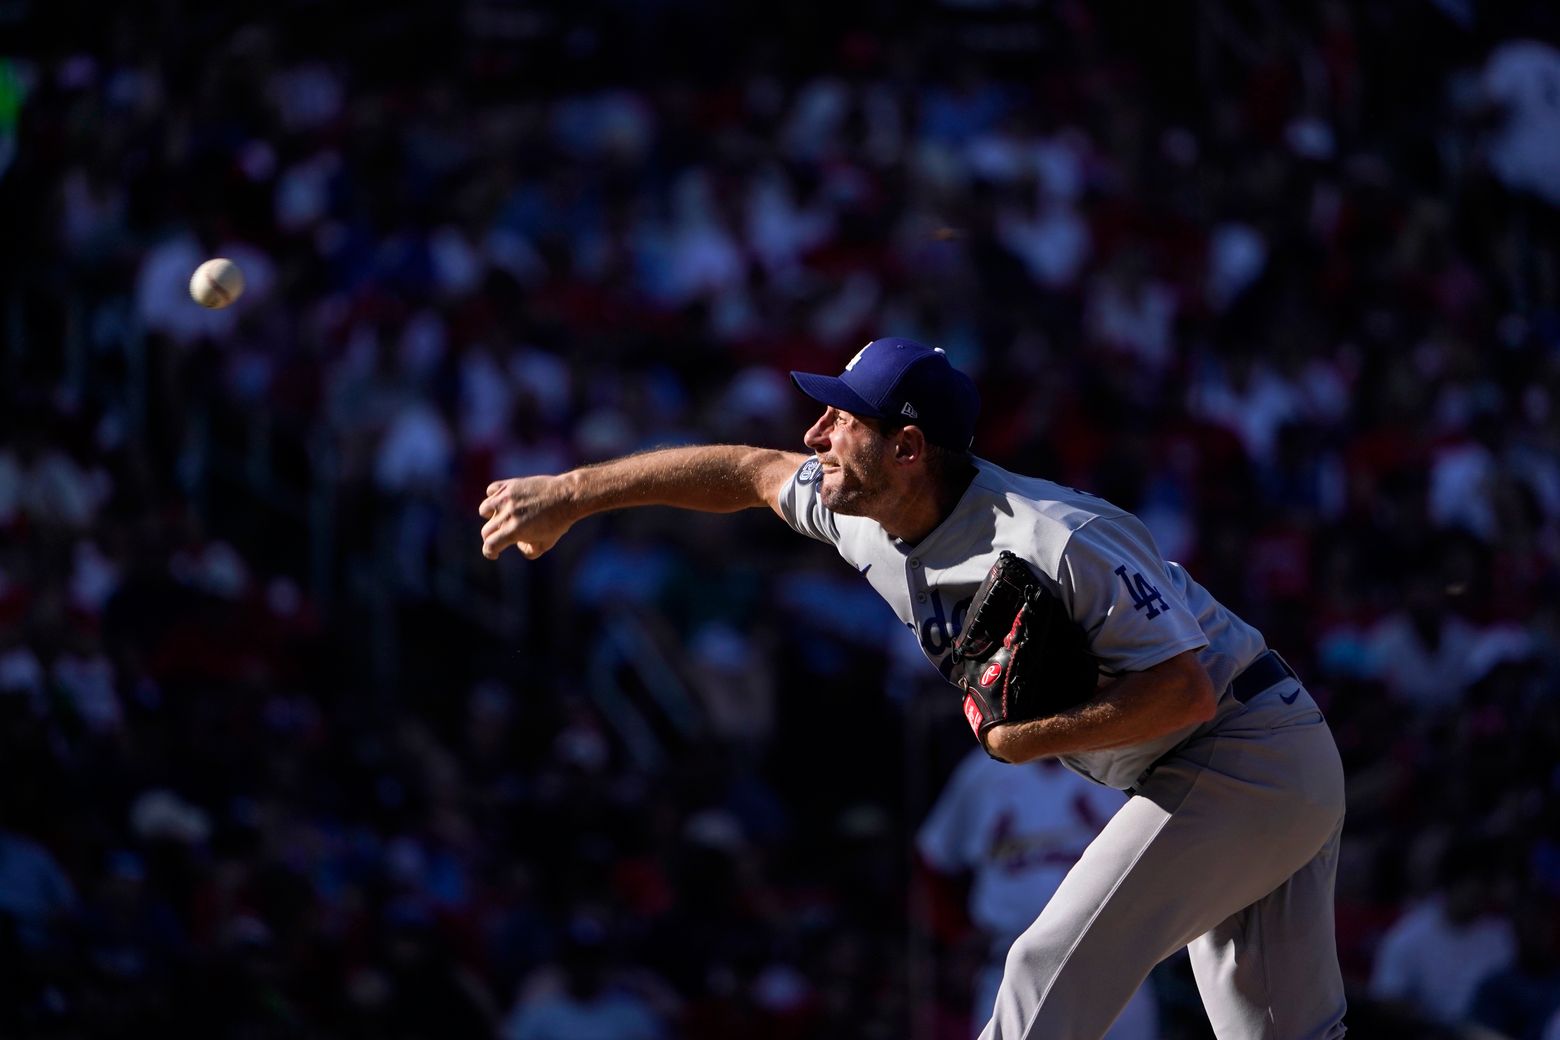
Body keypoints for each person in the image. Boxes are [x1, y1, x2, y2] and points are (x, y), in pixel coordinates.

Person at [479, 338, 1348, 1038]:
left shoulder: (1055, 535)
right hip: (1253, 762)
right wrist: (569, 493)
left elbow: (1185, 692)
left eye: (839, 417)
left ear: (906, 448)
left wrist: (1021, 740)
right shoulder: (863, 512)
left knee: (1044, 967)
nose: (816, 435)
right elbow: (747, 470)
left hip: (1237, 747)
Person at [916, 751, 1158, 1039]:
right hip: (1010, 965)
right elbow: (934, 859)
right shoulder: (982, 773)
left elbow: (1166, 852)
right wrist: (957, 935)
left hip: (1115, 962)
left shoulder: (1119, 759)